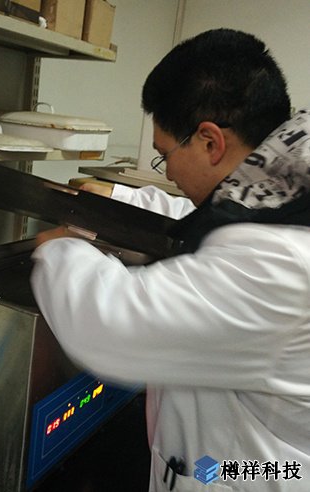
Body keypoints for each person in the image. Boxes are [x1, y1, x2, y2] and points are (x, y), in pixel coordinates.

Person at [30, 28, 310, 491]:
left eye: (164, 156)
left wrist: (59, 248)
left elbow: (112, 328)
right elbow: (210, 218)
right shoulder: (286, 187)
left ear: (210, 142)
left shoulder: (280, 263)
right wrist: (116, 198)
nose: (170, 173)